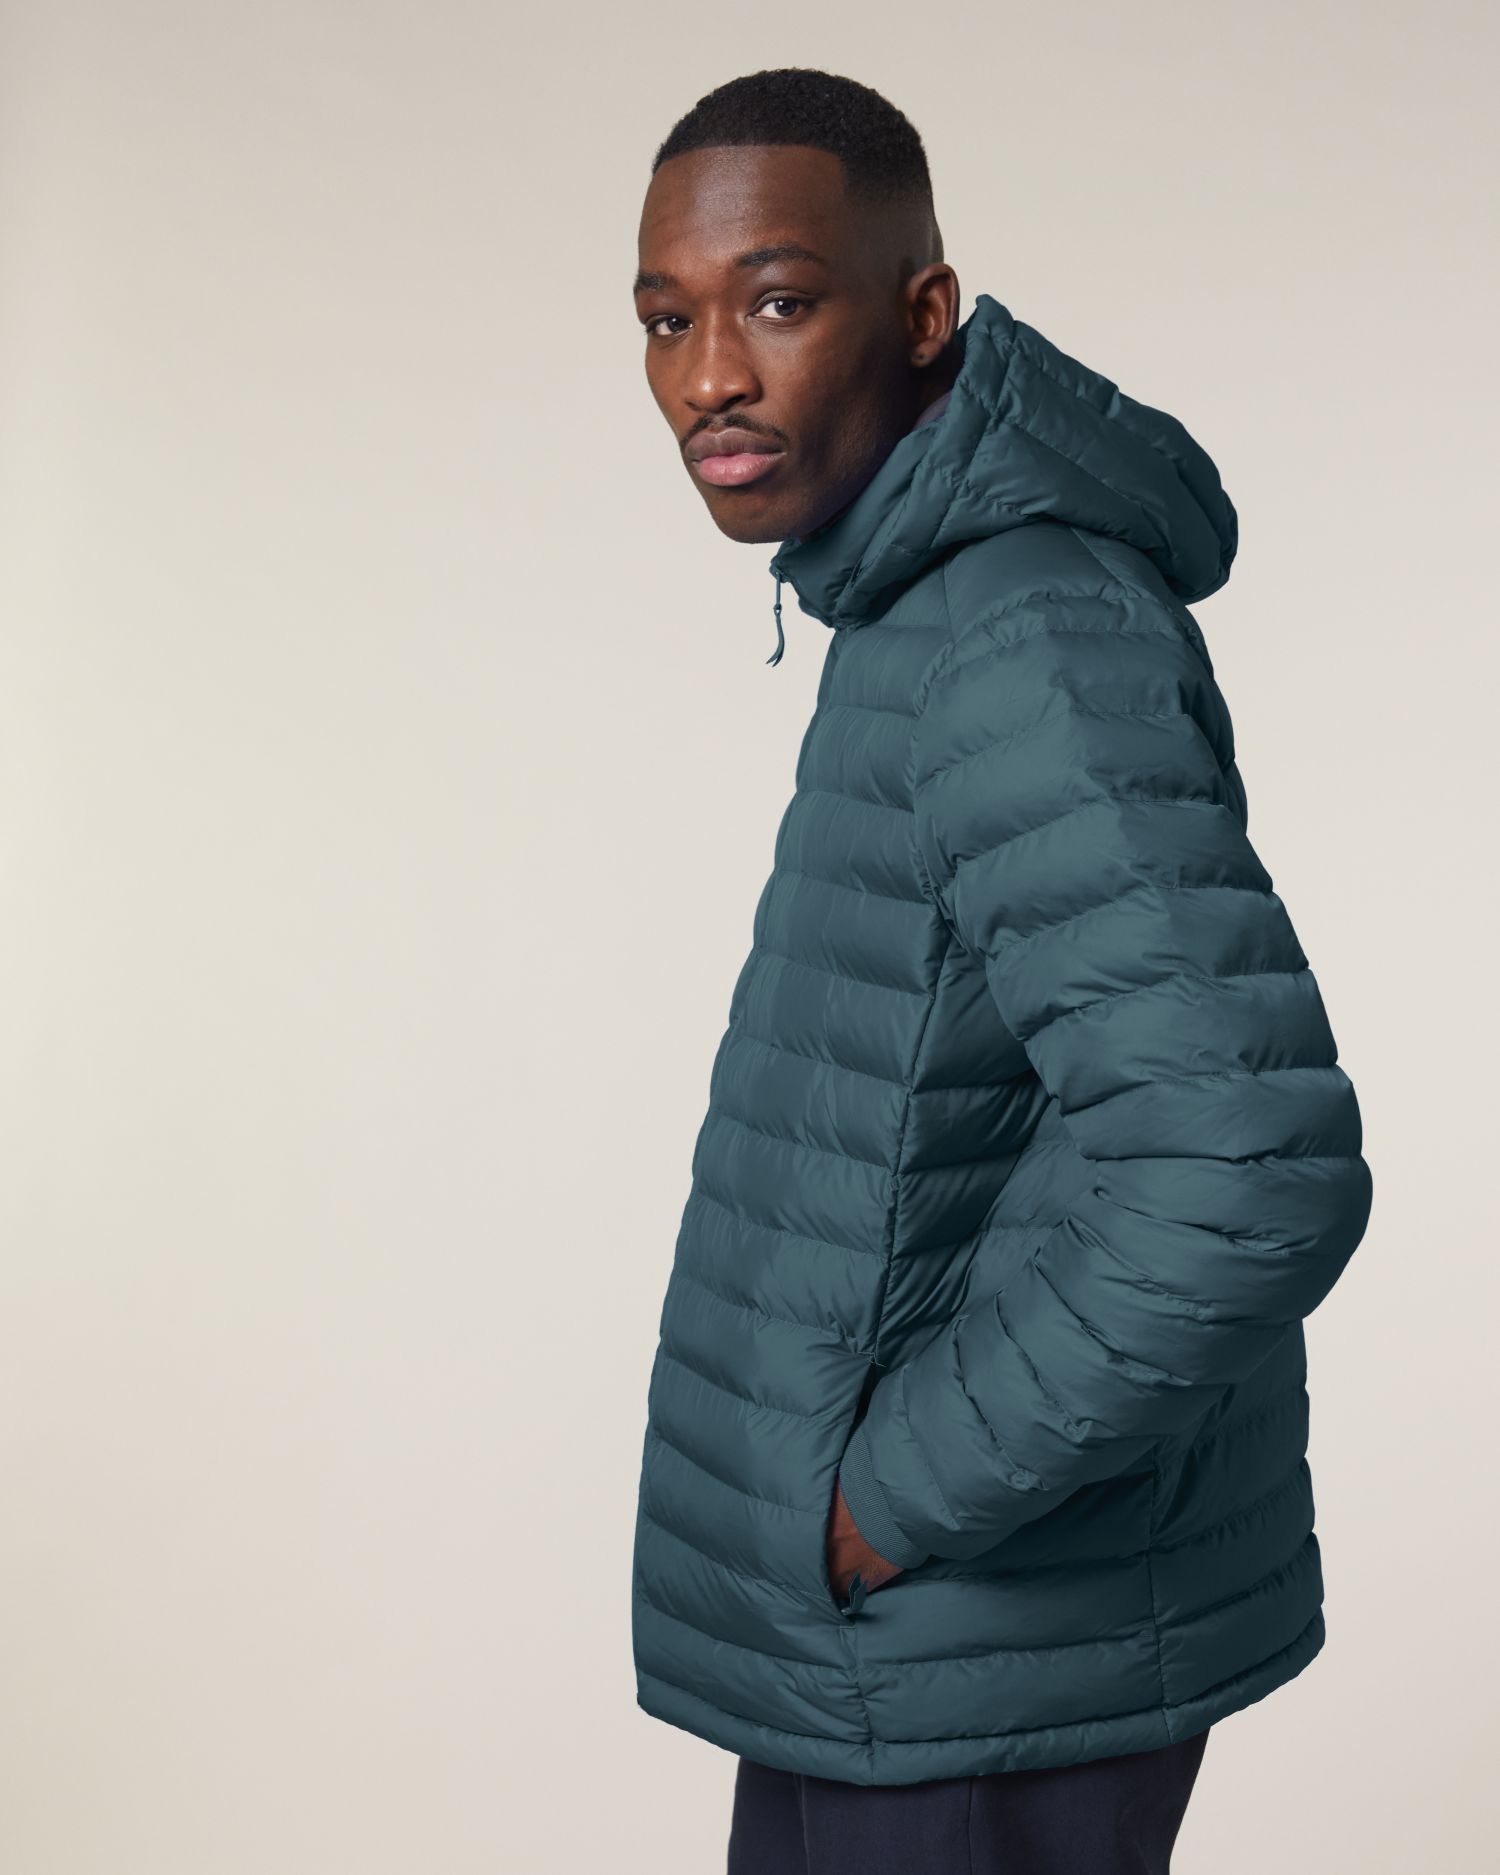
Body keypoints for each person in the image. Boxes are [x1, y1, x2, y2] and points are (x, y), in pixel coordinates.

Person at [627, 67, 1373, 1875]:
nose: (711, 374)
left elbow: (1246, 1170)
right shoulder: (926, 602)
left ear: (922, 313)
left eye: (776, 303)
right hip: (918, 1666)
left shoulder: (1019, 628)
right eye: (666, 320)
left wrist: (887, 1507)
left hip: (974, 1657)